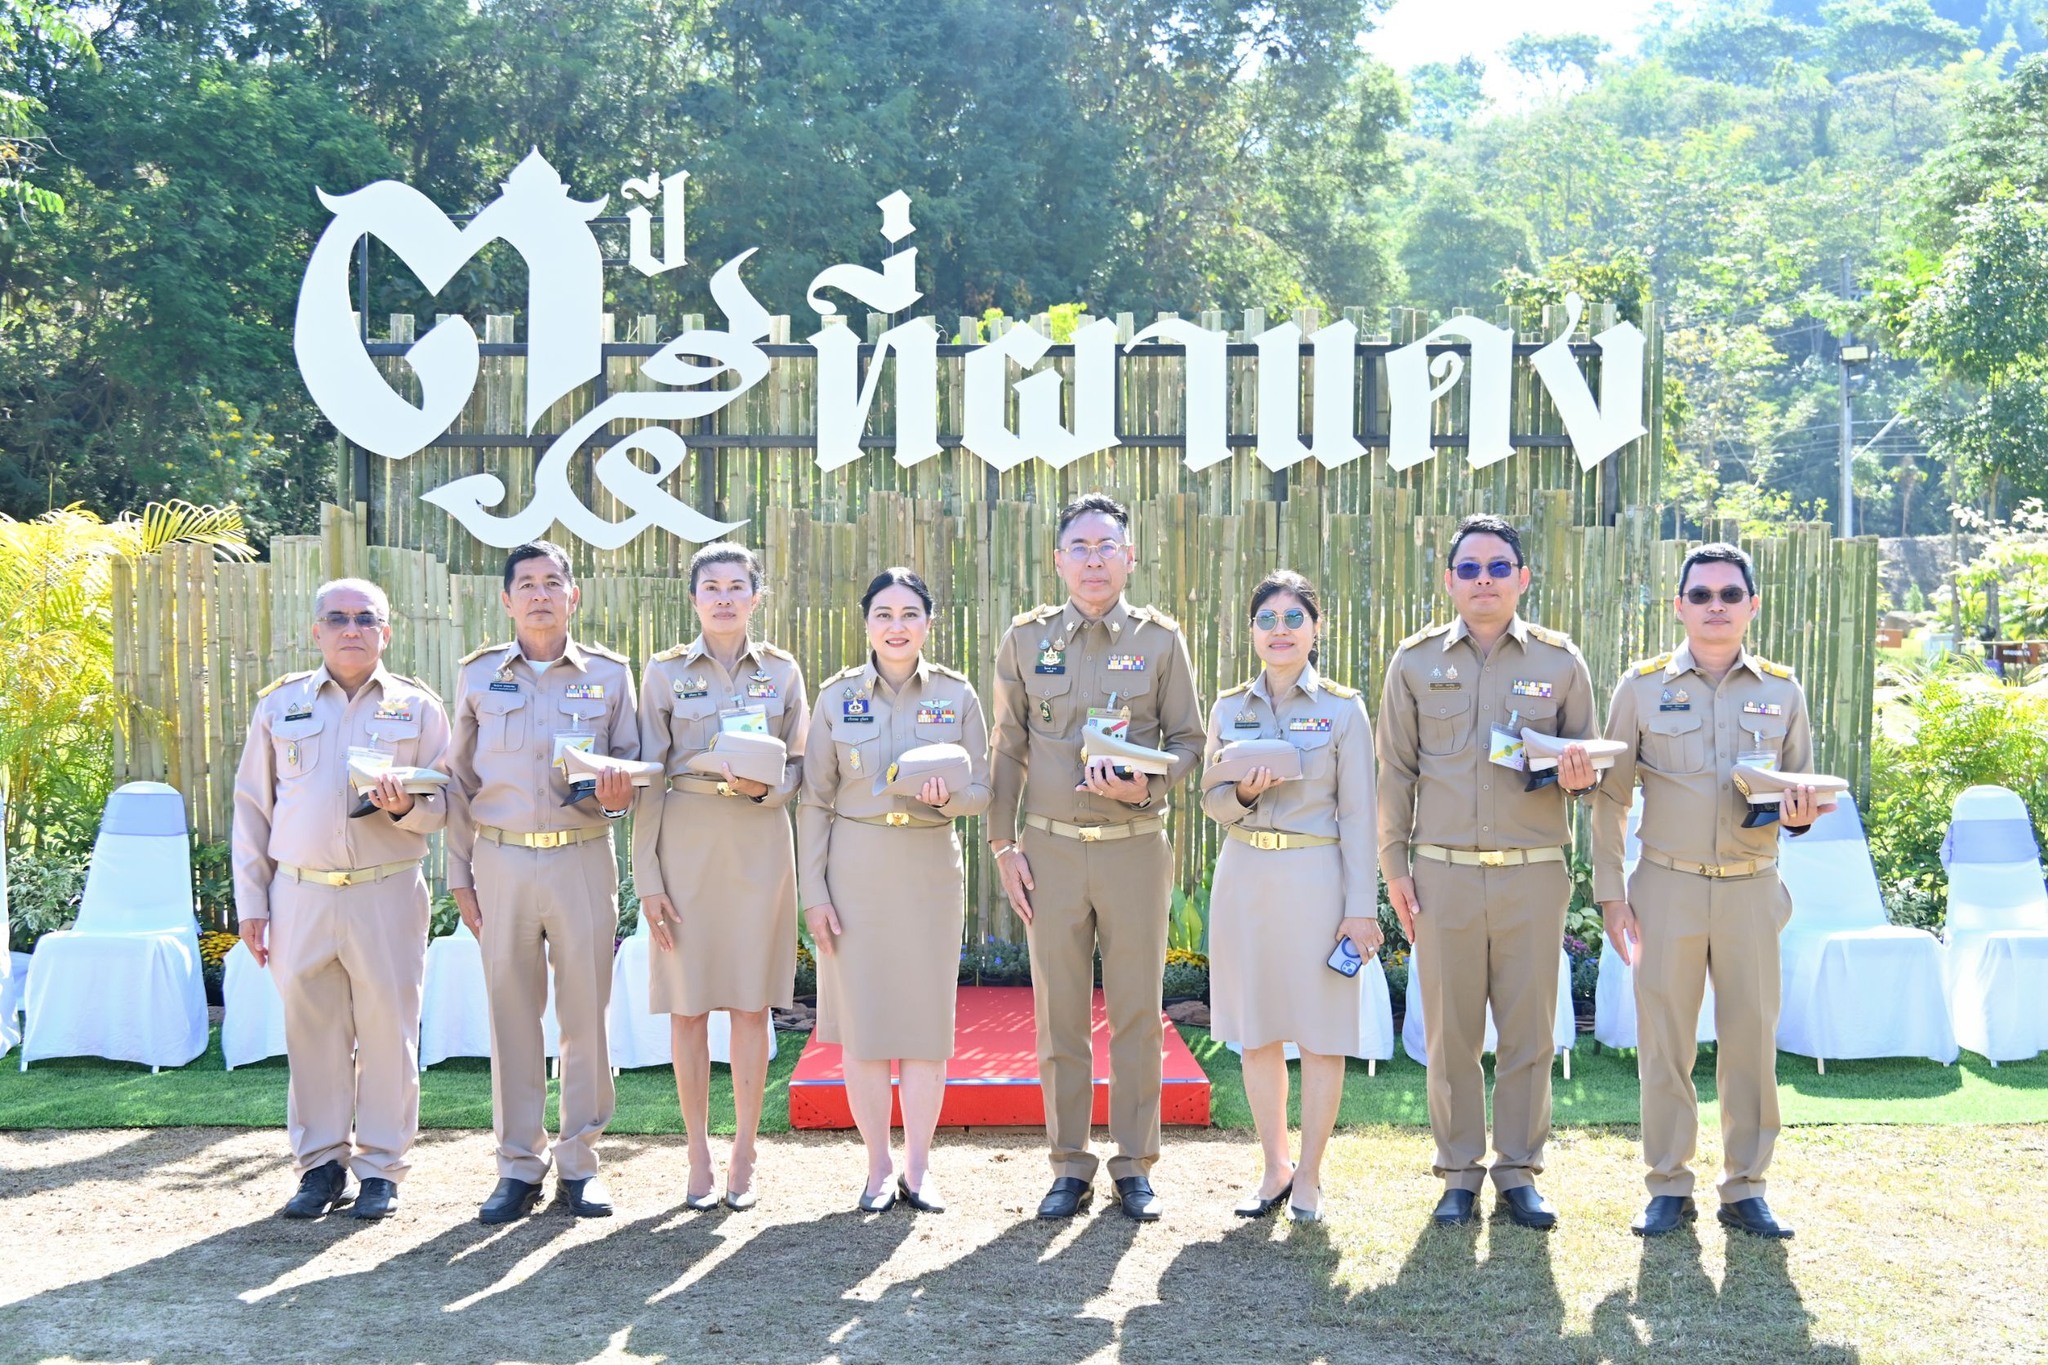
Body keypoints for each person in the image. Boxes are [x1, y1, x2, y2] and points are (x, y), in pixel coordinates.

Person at [1593, 542, 1827, 1240]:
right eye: (1701, 594)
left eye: (1729, 594)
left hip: (1752, 889)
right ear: (1680, 606)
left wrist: (1801, 815)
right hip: (1666, 886)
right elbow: (1611, 797)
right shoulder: (1640, 687)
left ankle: (1746, 1187)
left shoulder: (1783, 691)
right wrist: (1610, 893)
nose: (1715, 606)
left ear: (1752, 605)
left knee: (1751, 1041)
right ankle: (1668, 1184)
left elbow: (1801, 792)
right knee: (1665, 1042)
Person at [1376, 513, 1599, 1230]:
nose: (1484, 580)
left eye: (1499, 567)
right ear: (1449, 580)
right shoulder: (1414, 662)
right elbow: (1395, 772)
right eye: (1469, 568)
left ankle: (1519, 1172)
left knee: (1529, 1033)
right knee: (1451, 1035)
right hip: (1442, 873)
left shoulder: (1560, 662)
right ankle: (1459, 1173)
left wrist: (1580, 774)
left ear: (1522, 578)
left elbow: (1590, 768)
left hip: (1533, 873)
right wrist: (1394, 865)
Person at [989, 492, 1206, 1222]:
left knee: (1138, 1012)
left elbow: (1189, 740)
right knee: (1060, 1016)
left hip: (1133, 850)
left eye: (1106, 546)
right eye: (1079, 546)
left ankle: (1135, 1164)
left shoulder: (1159, 641)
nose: (1093, 560)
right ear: (1058, 559)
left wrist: (1151, 783)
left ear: (1129, 557)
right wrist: (1002, 844)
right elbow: (1007, 748)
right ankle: (1069, 1164)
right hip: (1050, 851)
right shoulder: (1027, 639)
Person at [232, 578, 450, 1220]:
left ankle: (381, 1169)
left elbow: (445, 804)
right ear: (316, 631)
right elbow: (252, 809)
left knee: (389, 1034)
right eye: (337, 618)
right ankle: (320, 1166)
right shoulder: (281, 706)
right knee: (313, 1037)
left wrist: (405, 807)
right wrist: (252, 903)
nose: (351, 628)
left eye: (365, 618)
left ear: (386, 631)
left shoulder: (418, 708)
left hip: (386, 892)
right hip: (300, 893)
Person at [447, 542, 639, 1225]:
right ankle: (517, 1166)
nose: (539, 594)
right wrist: (459, 875)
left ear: (572, 596)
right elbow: (457, 782)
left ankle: (580, 1162)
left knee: (585, 1015)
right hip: (500, 861)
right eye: (526, 583)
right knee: (511, 1016)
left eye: (552, 582)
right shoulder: (477, 676)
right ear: (506, 600)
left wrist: (616, 797)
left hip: (581, 858)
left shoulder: (610, 676)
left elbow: (632, 771)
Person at [797, 567, 991, 1213]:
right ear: (867, 624)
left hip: (929, 870)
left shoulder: (957, 695)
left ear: (928, 623)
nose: (897, 626)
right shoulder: (836, 697)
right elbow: (814, 799)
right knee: (866, 1027)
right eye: (884, 614)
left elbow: (982, 789)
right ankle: (878, 1166)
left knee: (925, 1026)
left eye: (910, 614)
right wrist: (813, 892)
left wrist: (949, 798)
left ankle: (918, 1167)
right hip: (855, 871)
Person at [1200, 570, 1379, 1224]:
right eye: (1268, 619)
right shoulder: (1228, 708)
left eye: (1294, 618)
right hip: (1245, 876)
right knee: (1257, 1033)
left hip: (1316, 878)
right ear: (1252, 631)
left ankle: (1310, 1175)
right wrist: (1245, 792)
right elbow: (1212, 800)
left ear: (1316, 627)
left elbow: (1359, 815)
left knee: (1321, 1035)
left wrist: (1361, 910)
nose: (1281, 630)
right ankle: (1274, 1166)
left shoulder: (1344, 710)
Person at [634, 542, 807, 1212]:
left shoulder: (783, 672)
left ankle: (745, 1153)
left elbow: (800, 764)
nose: (725, 598)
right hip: (686, 843)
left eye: (738, 586)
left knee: (750, 1004)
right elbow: (649, 777)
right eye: (712, 587)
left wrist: (767, 789)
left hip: (758, 842)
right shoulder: (664, 672)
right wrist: (647, 876)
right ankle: (698, 1154)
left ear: (756, 598)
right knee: (688, 1007)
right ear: (694, 598)